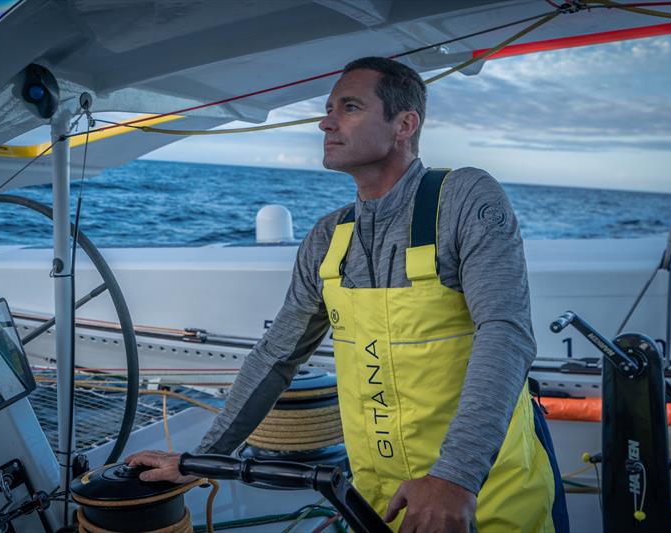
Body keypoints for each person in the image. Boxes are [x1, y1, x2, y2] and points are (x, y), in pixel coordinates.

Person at [127, 57, 569, 533]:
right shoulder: (327, 237)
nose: (325, 121)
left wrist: (455, 477)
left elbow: (506, 333)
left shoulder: (464, 197)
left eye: (350, 107)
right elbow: (277, 356)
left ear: (405, 124)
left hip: (484, 493)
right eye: (328, 108)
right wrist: (201, 459)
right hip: (379, 504)